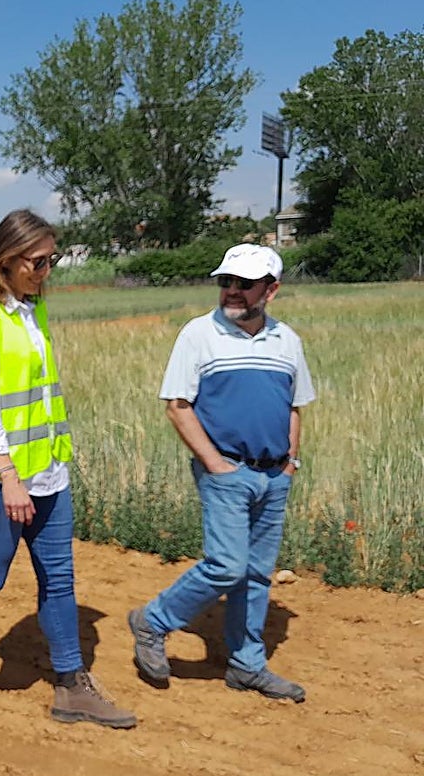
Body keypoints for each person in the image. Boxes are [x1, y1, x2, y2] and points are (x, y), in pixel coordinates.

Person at [0, 209, 136, 729]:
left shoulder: (29, 312)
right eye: (37, 261)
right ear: (6, 261)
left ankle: (70, 686)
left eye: (50, 260)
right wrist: (9, 477)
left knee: (59, 579)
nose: (46, 270)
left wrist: (50, 464)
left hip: (46, 472)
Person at [129, 243, 315, 702]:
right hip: (226, 472)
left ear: (271, 291)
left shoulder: (287, 341)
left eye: (243, 285)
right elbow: (177, 406)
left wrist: (290, 462)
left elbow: (295, 405)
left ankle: (247, 665)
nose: (231, 291)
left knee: (255, 574)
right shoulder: (198, 335)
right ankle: (153, 621)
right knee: (227, 565)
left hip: (273, 476)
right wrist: (216, 464)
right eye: (225, 282)